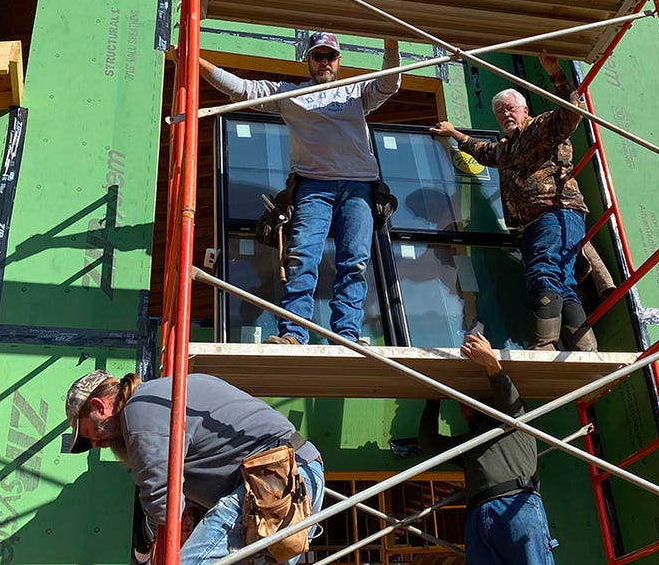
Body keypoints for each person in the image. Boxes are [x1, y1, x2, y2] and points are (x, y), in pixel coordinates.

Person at [176, 32, 400, 346]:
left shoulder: (356, 93)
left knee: (354, 262)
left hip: (358, 187)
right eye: (318, 56)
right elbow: (244, 90)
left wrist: (391, 45)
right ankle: (294, 333)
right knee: (301, 257)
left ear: (338, 61)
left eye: (330, 56)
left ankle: (347, 336)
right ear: (307, 60)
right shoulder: (291, 95)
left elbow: (389, 83)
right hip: (313, 186)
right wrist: (196, 63)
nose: (324, 62)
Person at [64, 370, 325, 564]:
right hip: (293, 477)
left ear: (99, 407)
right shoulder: (161, 396)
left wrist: (145, 538)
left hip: (276, 480)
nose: (96, 443)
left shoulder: (140, 411)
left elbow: (163, 503)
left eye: (90, 434)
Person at [429, 51, 596, 351]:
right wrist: (454, 133)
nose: (505, 115)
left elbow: (572, 113)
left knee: (544, 271)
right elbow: (481, 151)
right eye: (499, 112)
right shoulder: (505, 149)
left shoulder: (541, 127)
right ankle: (586, 348)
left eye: (510, 109)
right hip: (532, 225)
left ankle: (543, 344)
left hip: (556, 212)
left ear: (524, 109)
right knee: (564, 281)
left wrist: (556, 73)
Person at [419, 333, 557, 564]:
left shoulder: (514, 421)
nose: (461, 407)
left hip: (515, 502)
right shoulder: (471, 443)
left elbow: (508, 395)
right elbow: (429, 442)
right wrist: (434, 398)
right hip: (479, 514)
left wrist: (491, 363)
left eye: (467, 400)